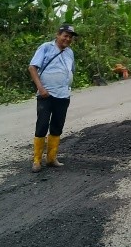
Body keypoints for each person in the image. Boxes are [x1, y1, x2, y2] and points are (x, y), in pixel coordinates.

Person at [28, 23, 77, 173]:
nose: (67, 39)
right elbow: (32, 67)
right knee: (42, 125)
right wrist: (41, 88)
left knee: (57, 126)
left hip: (63, 95)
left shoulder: (70, 52)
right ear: (58, 35)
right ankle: (37, 160)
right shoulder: (46, 47)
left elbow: (70, 70)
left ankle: (51, 158)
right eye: (65, 36)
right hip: (46, 94)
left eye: (70, 37)